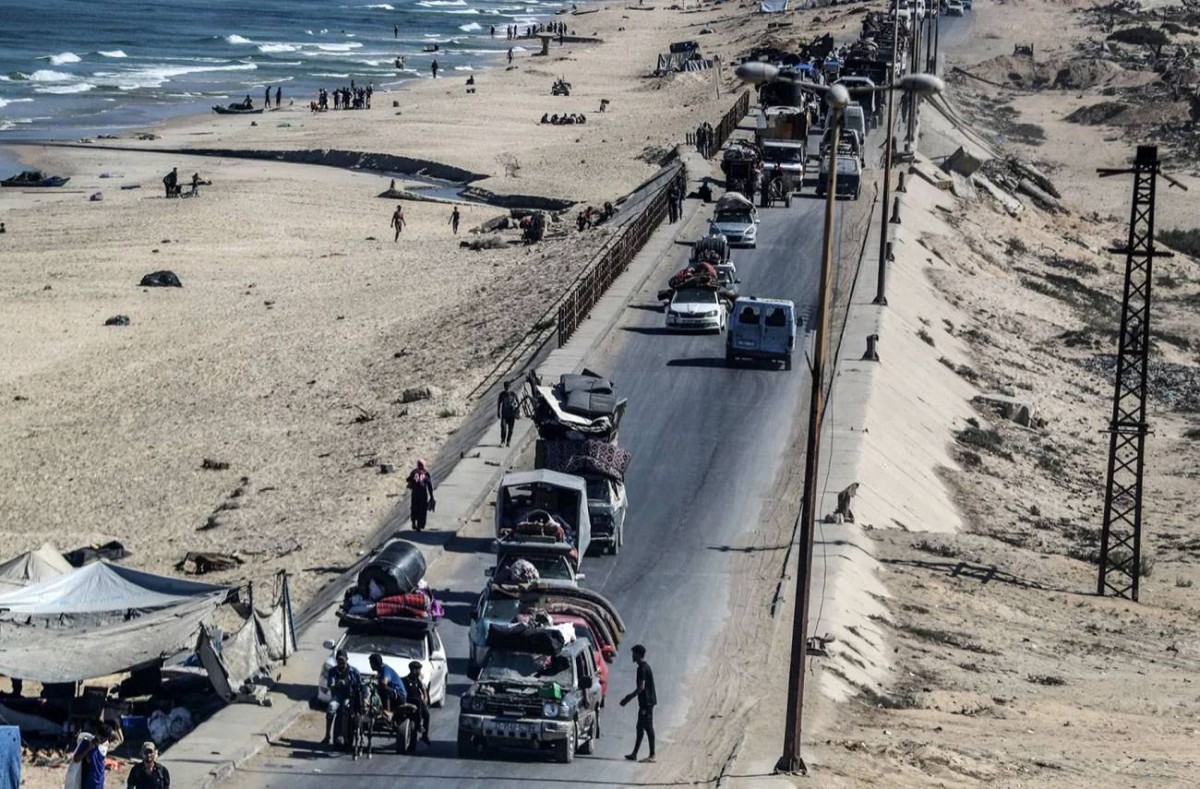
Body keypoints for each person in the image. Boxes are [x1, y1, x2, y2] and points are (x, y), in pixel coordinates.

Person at [620, 644, 656, 763]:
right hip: (646, 702)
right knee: (640, 727)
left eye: (634, 654)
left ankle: (652, 755)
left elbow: (641, 687)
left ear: (638, 654)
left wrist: (628, 698)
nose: (632, 656)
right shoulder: (643, 667)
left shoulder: (642, 669)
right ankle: (634, 754)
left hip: (647, 703)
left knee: (648, 727)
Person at [323, 650, 362, 745]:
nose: (341, 663)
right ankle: (327, 735)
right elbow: (330, 686)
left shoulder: (354, 672)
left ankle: (345, 735)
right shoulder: (333, 671)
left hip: (350, 697)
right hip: (337, 696)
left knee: (345, 707)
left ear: (347, 660)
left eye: (343, 660)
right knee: (331, 707)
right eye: (339, 660)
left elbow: (359, 685)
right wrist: (337, 685)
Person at [401, 661, 431, 745]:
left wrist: (425, 697)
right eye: (418, 670)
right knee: (418, 702)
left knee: (427, 714)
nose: (419, 672)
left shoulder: (417, 680)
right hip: (410, 700)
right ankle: (419, 725)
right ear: (413, 670)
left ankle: (425, 736)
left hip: (419, 701)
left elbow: (423, 689)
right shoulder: (406, 680)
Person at [406, 460, 435, 531]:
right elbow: (429, 485)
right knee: (422, 509)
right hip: (422, 494)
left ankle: (414, 522)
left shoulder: (414, 472)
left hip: (415, 493)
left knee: (414, 508)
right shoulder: (425, 473)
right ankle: (419, 525)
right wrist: (431, 496)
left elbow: (408, 480)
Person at [497, 380, 520, 447]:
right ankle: (503, 441)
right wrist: (498, 412)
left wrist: (517, 411)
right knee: (503, 428)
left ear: (510, 387)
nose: (507, 388)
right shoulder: (502, 394)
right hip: (504, 414)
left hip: (511, 415)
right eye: (506, 387)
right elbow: (499, 403)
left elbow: (518, 403)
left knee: (511, 429)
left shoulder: (513, 394)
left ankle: (508, 441)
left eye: (508, 387)